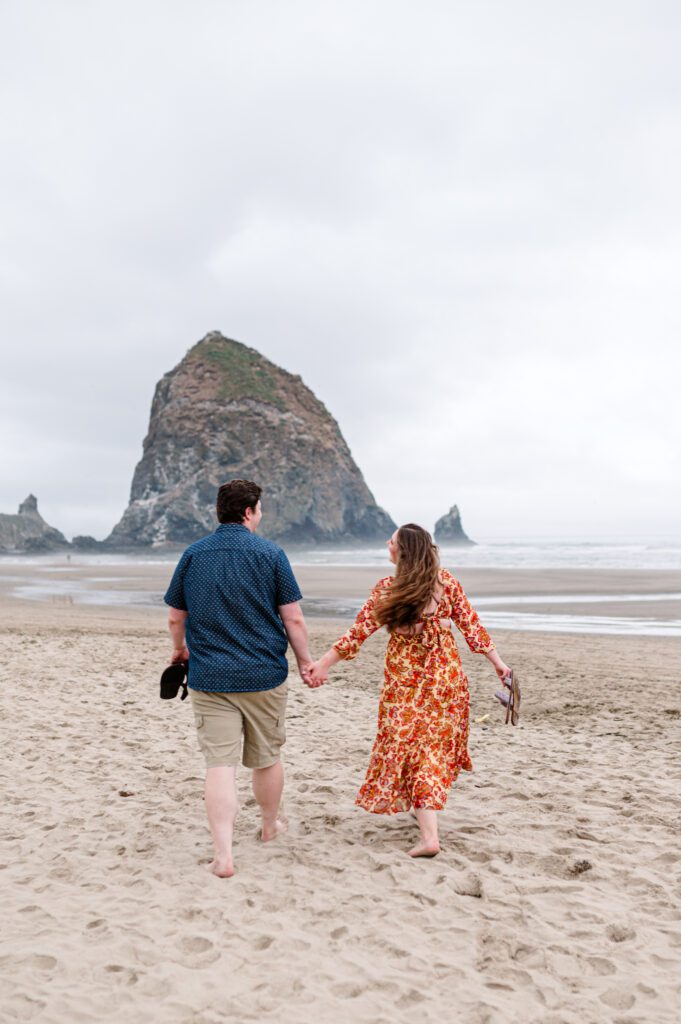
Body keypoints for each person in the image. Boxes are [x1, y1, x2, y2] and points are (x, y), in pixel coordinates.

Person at [307, 523, 512, 858]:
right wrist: (498, 663)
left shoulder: (389, 588)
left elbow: (358, 632)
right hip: (445, 681)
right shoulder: (445, 583)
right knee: (430, 749)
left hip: (406, 685)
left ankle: (429, 836)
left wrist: (323, 664)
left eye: (392, 541)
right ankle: (424, 808)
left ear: (403, 551)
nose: (387, 544)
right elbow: (472, 626)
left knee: (414, 749)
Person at [164, 479, 314, 878]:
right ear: (248, 511)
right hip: (263, 673)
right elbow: (293, 617)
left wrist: (179, 648)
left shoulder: (194, 555)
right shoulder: (271, 555)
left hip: (209, 675)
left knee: (220, 764)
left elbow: (176, 616)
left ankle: (224, 855)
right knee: (266, 757)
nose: (260, 514)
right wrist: (305, 662)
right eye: (260, 508)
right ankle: (269, 827)